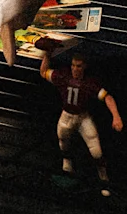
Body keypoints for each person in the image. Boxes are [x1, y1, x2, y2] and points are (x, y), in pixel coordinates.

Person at [40, 46, 122, 195]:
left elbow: (108, 97)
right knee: (63, 141)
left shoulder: (90, 83)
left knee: (96, 151)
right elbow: (43, 72)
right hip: (66, 115)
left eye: (78, 66)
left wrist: (116, 116)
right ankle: (67, 165)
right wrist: (47, 54)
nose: (75, 69)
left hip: (83, 117)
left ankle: (104, 179)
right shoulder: (63, 76)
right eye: (73, 65)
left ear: (84, 66)